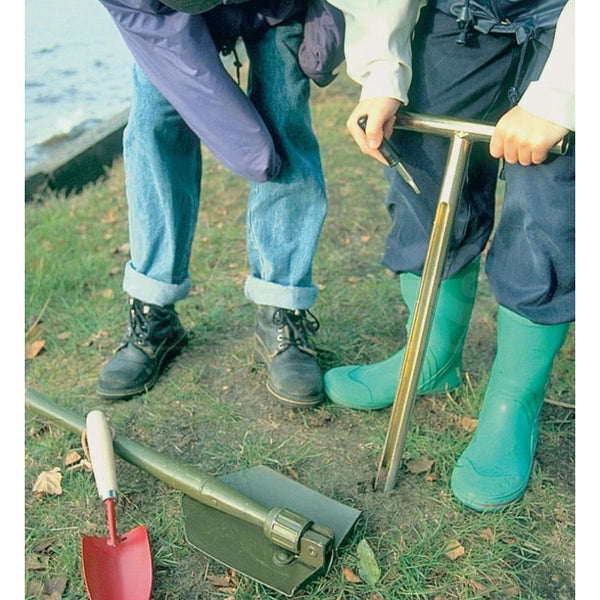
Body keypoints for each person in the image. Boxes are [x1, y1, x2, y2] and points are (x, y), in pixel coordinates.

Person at [326, 0, 575, 511]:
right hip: (459, 16)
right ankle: (431, 358)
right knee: (424, 181)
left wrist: (564, 95)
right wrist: (381, 73)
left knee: (547, 211)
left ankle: (512, 404)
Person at [94, 0, 344, 408]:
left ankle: (280, 310)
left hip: (278, 6)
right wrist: (245, 144)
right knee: (151, 125)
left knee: (283, 119)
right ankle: (153, 309)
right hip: (165, 15)